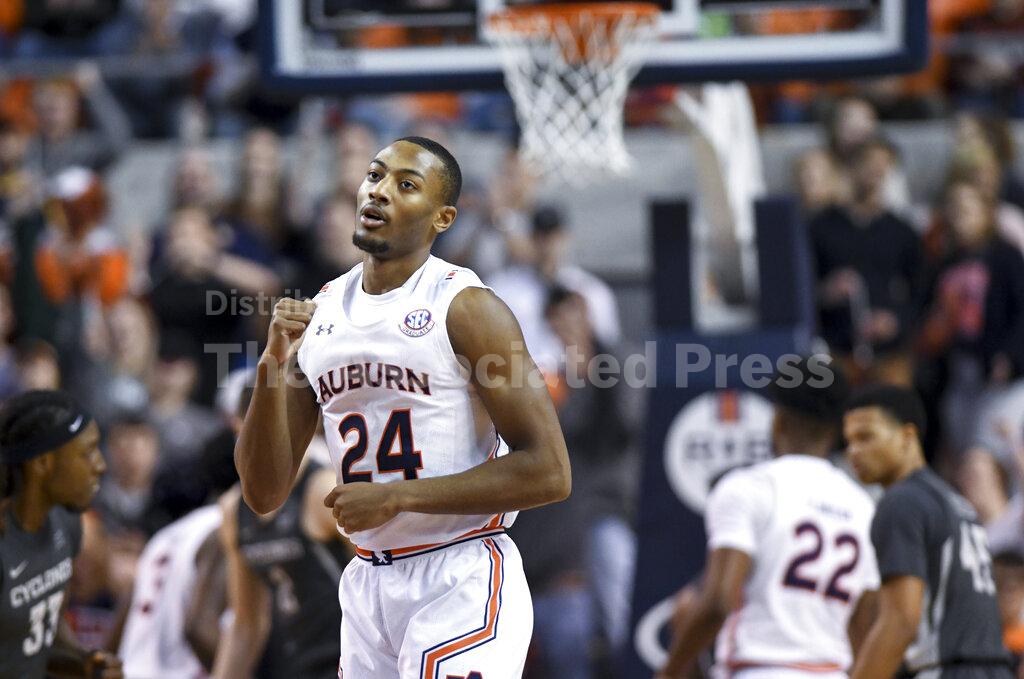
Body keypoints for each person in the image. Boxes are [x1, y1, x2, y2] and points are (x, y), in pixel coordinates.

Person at [235, 136, 571, 678]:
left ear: (443, 217)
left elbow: (550, 471)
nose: (380, 191)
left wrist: (398, 497)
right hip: (367, 587)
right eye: (375, 175)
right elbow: (263, 492)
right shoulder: (321, 312)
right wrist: (272, 366)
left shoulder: (466, 307)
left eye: (406, 185)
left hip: (459, 575)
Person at [657, 357, 879, 679]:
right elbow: (864, 625)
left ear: (778, 421)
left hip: (760, 668)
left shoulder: (749, 487)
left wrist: (670, 671)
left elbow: (718, 603)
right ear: (836, 431)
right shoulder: (863, 507)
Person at [843, 385, 1014, 678]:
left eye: (866, 437)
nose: (854, 451)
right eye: (849, 441)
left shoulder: (901, 502)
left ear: (907, 436)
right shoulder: (955, 501)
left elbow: (900, 622)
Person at [0, 389, 122, 678]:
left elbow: (46, 624)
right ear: (42, 463)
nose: (101, 465)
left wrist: (82, 661)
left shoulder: (66, 521)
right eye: (88, 452)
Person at [212, 446, 353, 679]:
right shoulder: (234, 510)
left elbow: (377, 578)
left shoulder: (323, 490)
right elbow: (245, 625)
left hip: (346, 658)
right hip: (294, 662)